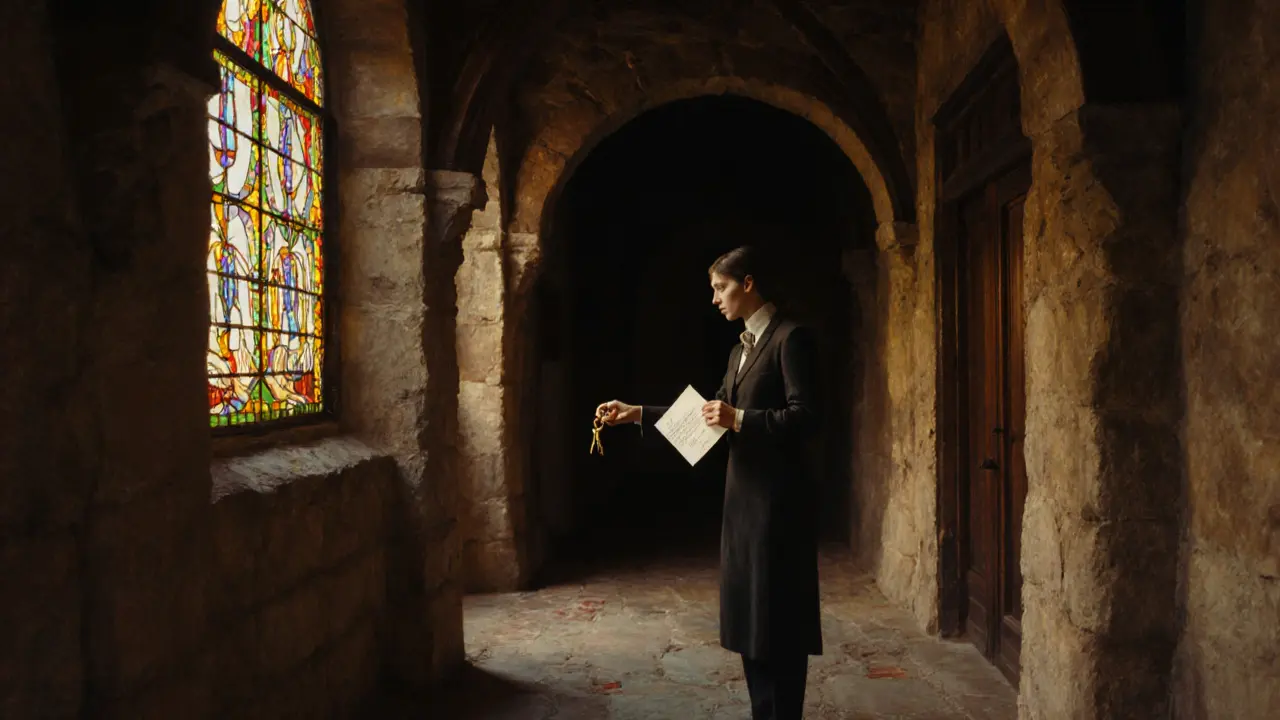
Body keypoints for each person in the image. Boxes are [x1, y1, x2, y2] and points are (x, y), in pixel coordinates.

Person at [596, 245, 822, 720]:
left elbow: (807, 418)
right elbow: (707, 420)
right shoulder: (740, 349)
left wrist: (741, 418)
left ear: (748, 283)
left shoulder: (790, 338)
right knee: (751, 626)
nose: (715, 299)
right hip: (741, 505)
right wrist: (636, 413)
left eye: (721, 288)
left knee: (778, 625)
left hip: (778, 507)